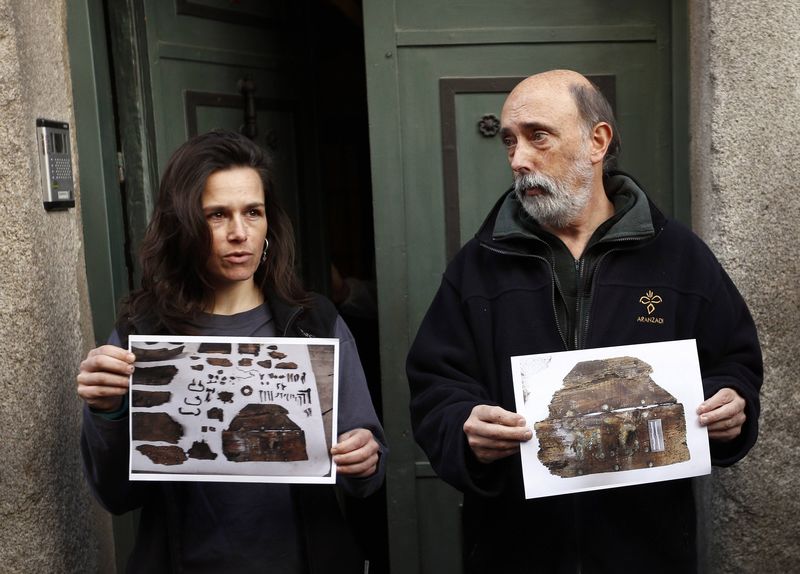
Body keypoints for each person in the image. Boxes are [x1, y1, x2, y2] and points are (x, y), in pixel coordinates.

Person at [406, 70, 762, 573]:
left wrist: (732, 401)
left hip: (647, 552)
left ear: (597, 141)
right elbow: (435, 386)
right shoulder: (477, 266)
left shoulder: (680, 257)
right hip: (515, 552)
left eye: (538, 136)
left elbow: (735, 363)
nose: (518, 158)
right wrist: (463, 426)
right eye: (509, 140)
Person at [77, 130, 386, 573]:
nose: (239, 233)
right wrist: (106, 411)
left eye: (253, 213)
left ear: (269, 224)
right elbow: (116, 496)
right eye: (217, 215)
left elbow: (368, 468)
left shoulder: (314, 322)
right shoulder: (142, 331)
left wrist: (364, 456)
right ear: (183, 223)